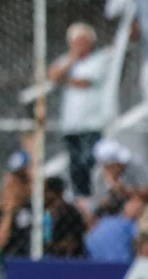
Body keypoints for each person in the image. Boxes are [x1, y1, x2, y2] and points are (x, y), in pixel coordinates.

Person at [47, 22, 110, 198]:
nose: (78, 46)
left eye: (82, 41)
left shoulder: (99, 59)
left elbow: (85, 82)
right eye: (75, 42)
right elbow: (52, 74)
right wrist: (71, 60)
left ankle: (94, 195)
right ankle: (80, 197)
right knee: (75, 165)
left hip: (91, 123)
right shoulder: (67, 60)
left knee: (89, 162)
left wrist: (64, 78)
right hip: (71, 125)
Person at [42, 177, 87, 258]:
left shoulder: (71, 213)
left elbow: (72, 243)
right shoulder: (41, 211)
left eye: (46, 191)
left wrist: (54, 246)